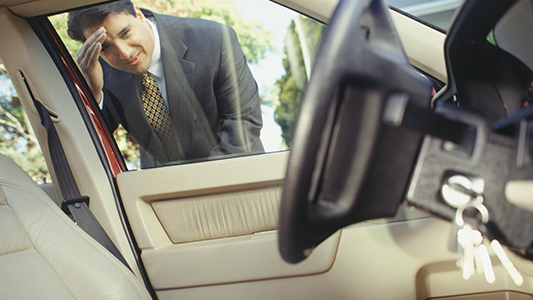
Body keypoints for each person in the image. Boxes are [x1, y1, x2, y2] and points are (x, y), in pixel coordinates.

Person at [67, 0, 264, 168]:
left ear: (138, 14)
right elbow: (90, 145)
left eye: (125, 33)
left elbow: (243, 122)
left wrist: (198, 187)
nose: (124, 53)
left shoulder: (213, 39)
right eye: (105, 47)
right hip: (162, 195)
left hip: (237, 177)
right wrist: (93, 92)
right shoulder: (101, 72)